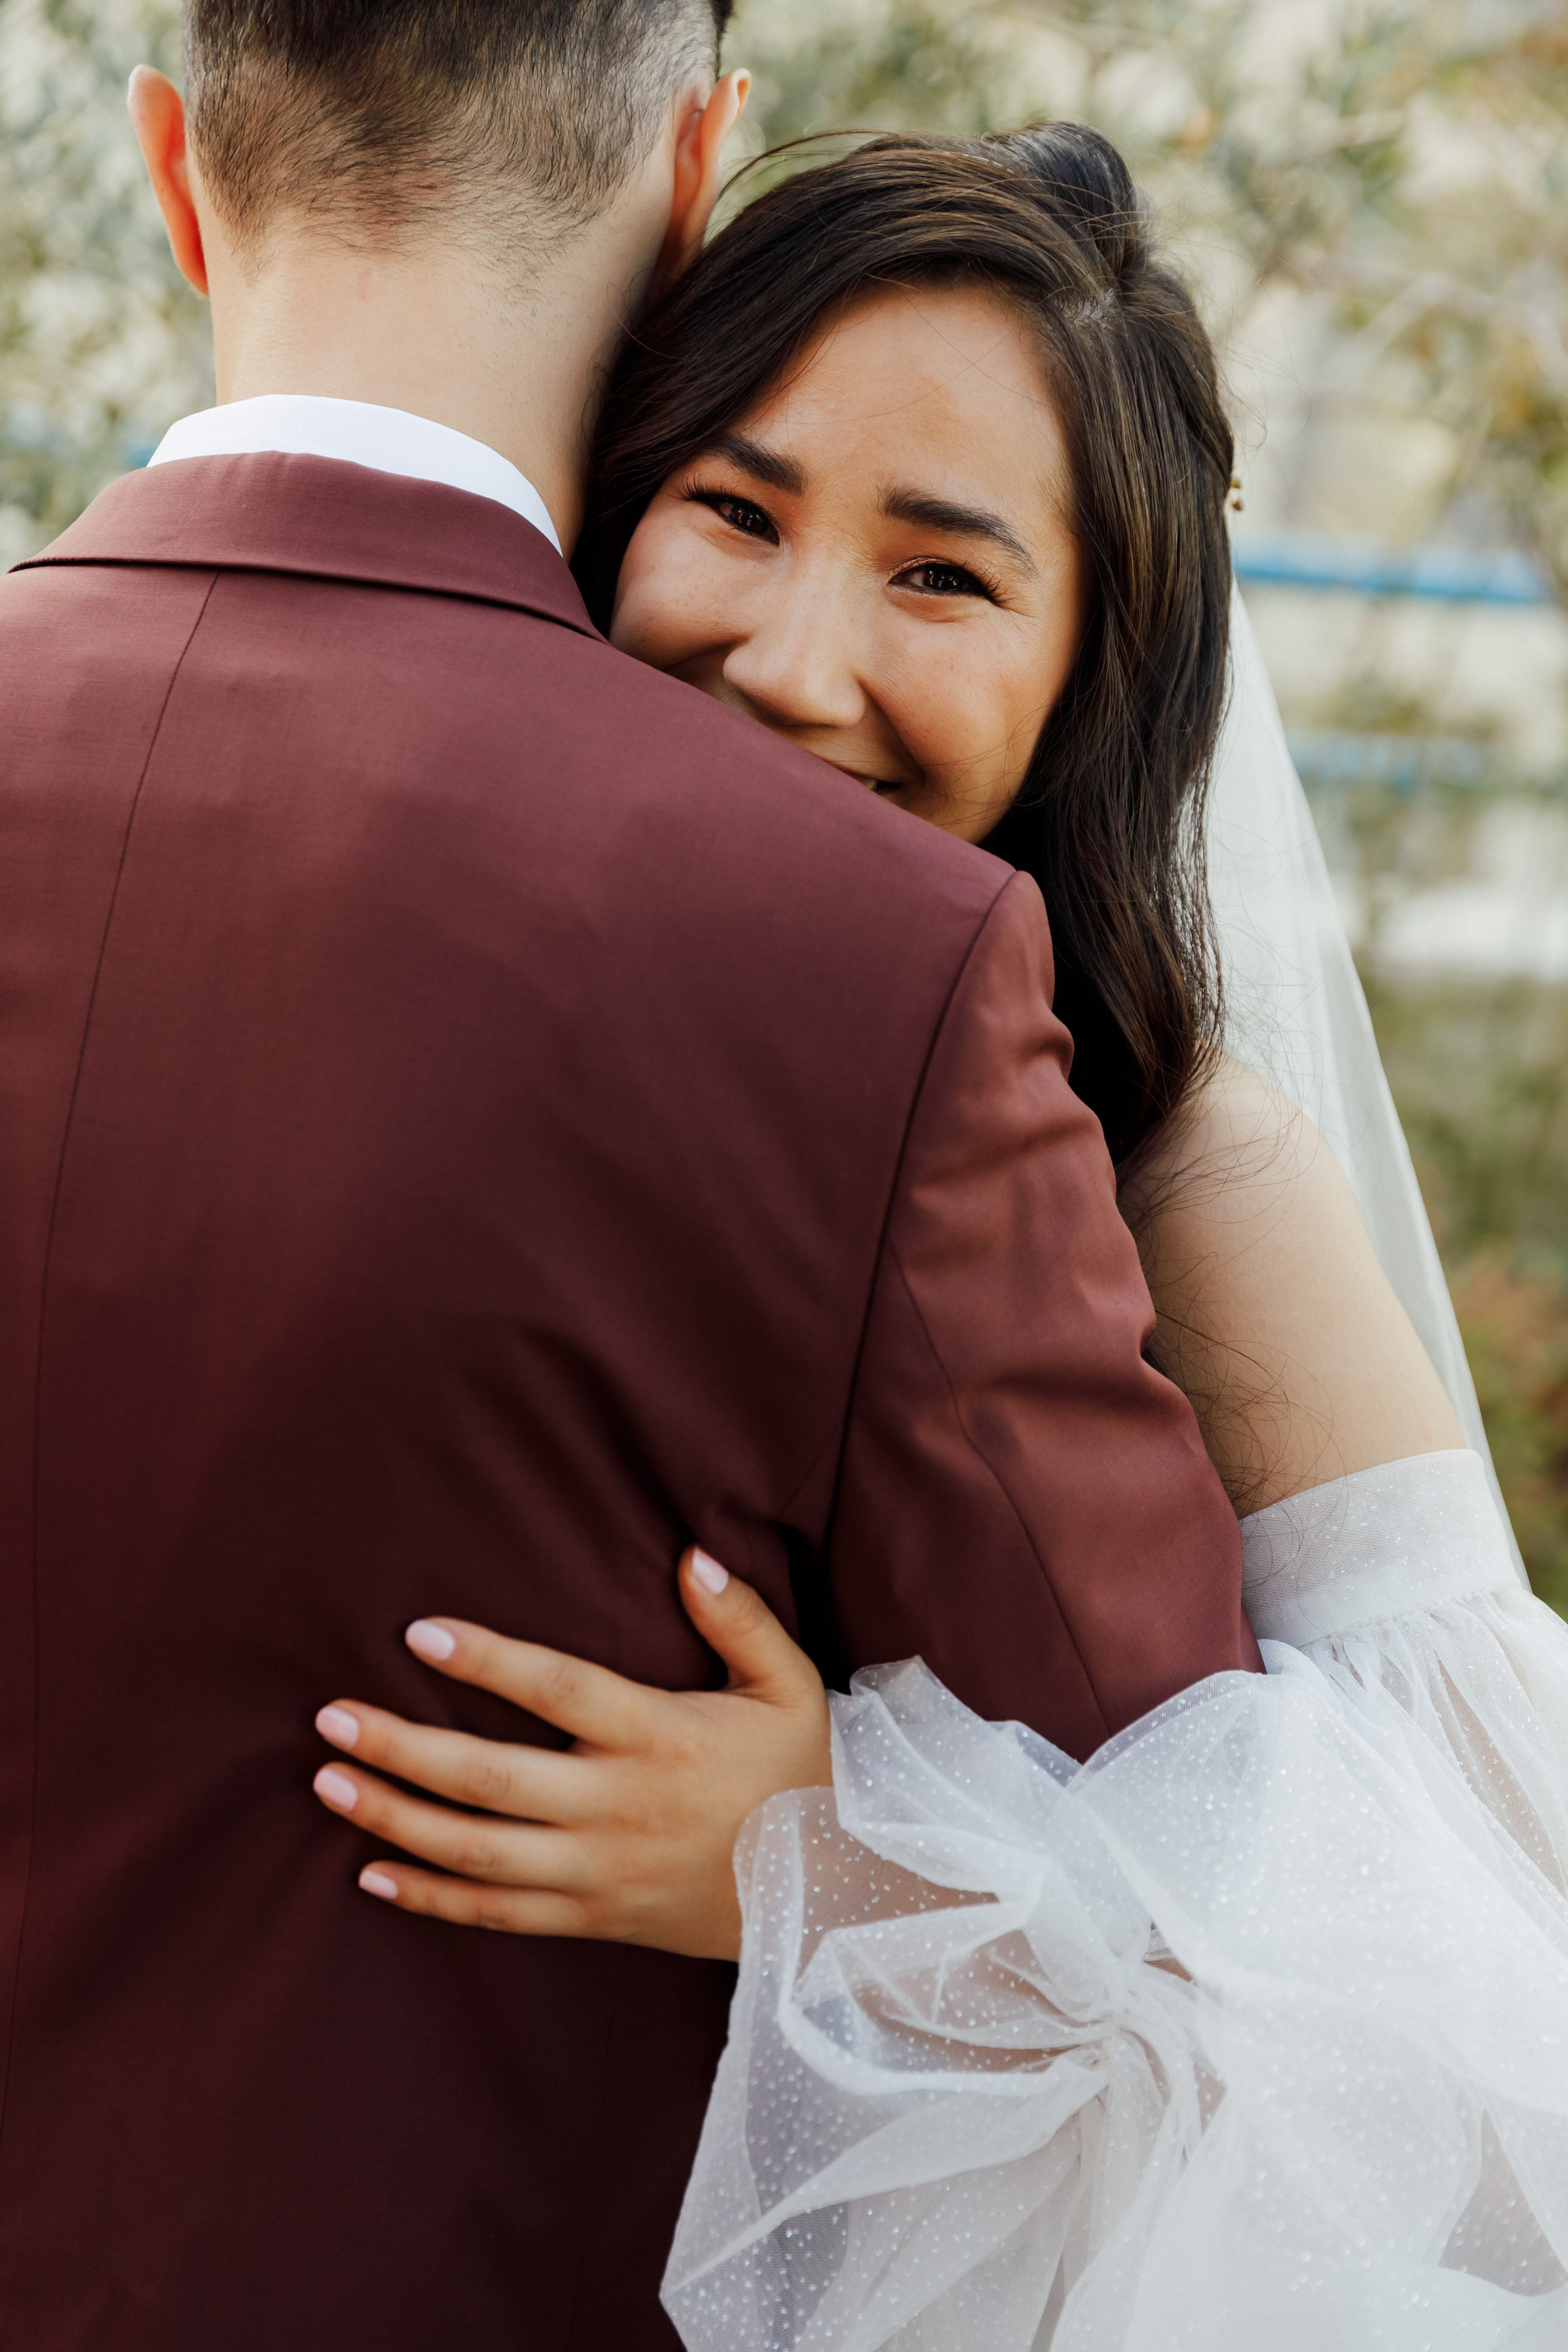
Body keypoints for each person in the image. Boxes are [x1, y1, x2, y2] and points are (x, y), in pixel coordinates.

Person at [0, 18, 1263, 2352]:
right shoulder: (878, 962)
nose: (797, 663)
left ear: (168, 164)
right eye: (748, 515)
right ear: (697, 176)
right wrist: (840, 1864)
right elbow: (1208, 1879)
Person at [308, 132, 1568, 2343]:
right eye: (737, 512)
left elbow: (1482, 2021)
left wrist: (831, 1867)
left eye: (941, 575)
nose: (793, 662)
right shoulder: (439, 1016)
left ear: (1095, 677)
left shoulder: (1191, 1171)